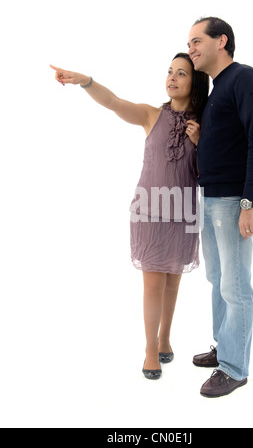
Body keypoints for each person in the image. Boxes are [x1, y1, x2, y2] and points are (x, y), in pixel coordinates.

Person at [50, 54, 209, 380]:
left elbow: (207, 172)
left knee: (172, 282)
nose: (173, 78)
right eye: (170, 72)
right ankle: (151, 349)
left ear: (195, 82)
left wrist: (199, 142)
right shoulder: (152, 114)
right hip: (150, 210)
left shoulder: (204, 124)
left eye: (181, 73)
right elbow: (113, 102)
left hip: (183, 211)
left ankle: (165, 336)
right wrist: (85, 81)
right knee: (153, 284)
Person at [187, 17, 253, 397]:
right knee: (218, 281)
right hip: (212, 196)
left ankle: (235, 368)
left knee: (236, 287)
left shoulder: (245, 79)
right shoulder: (217, 89)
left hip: (233, 200)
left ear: (221, 41)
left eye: (196, 41)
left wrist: (248, 202)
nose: (191, 49)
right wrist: (201, 137)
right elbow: (230, 140)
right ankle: (225, 346)